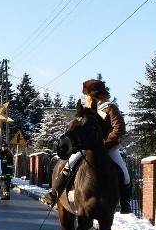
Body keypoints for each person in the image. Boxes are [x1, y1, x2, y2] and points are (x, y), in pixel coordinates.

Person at [40, 78, 132, 213]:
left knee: (124, 173)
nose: (85, 97)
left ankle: (125, 202)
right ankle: (54, 193)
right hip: (86, 147)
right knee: (68, 165)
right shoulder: (87, 110)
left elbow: (119, 129)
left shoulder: (110, 108)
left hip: (108, 148)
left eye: (87, 94)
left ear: (94, 94)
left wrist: (104, 143)